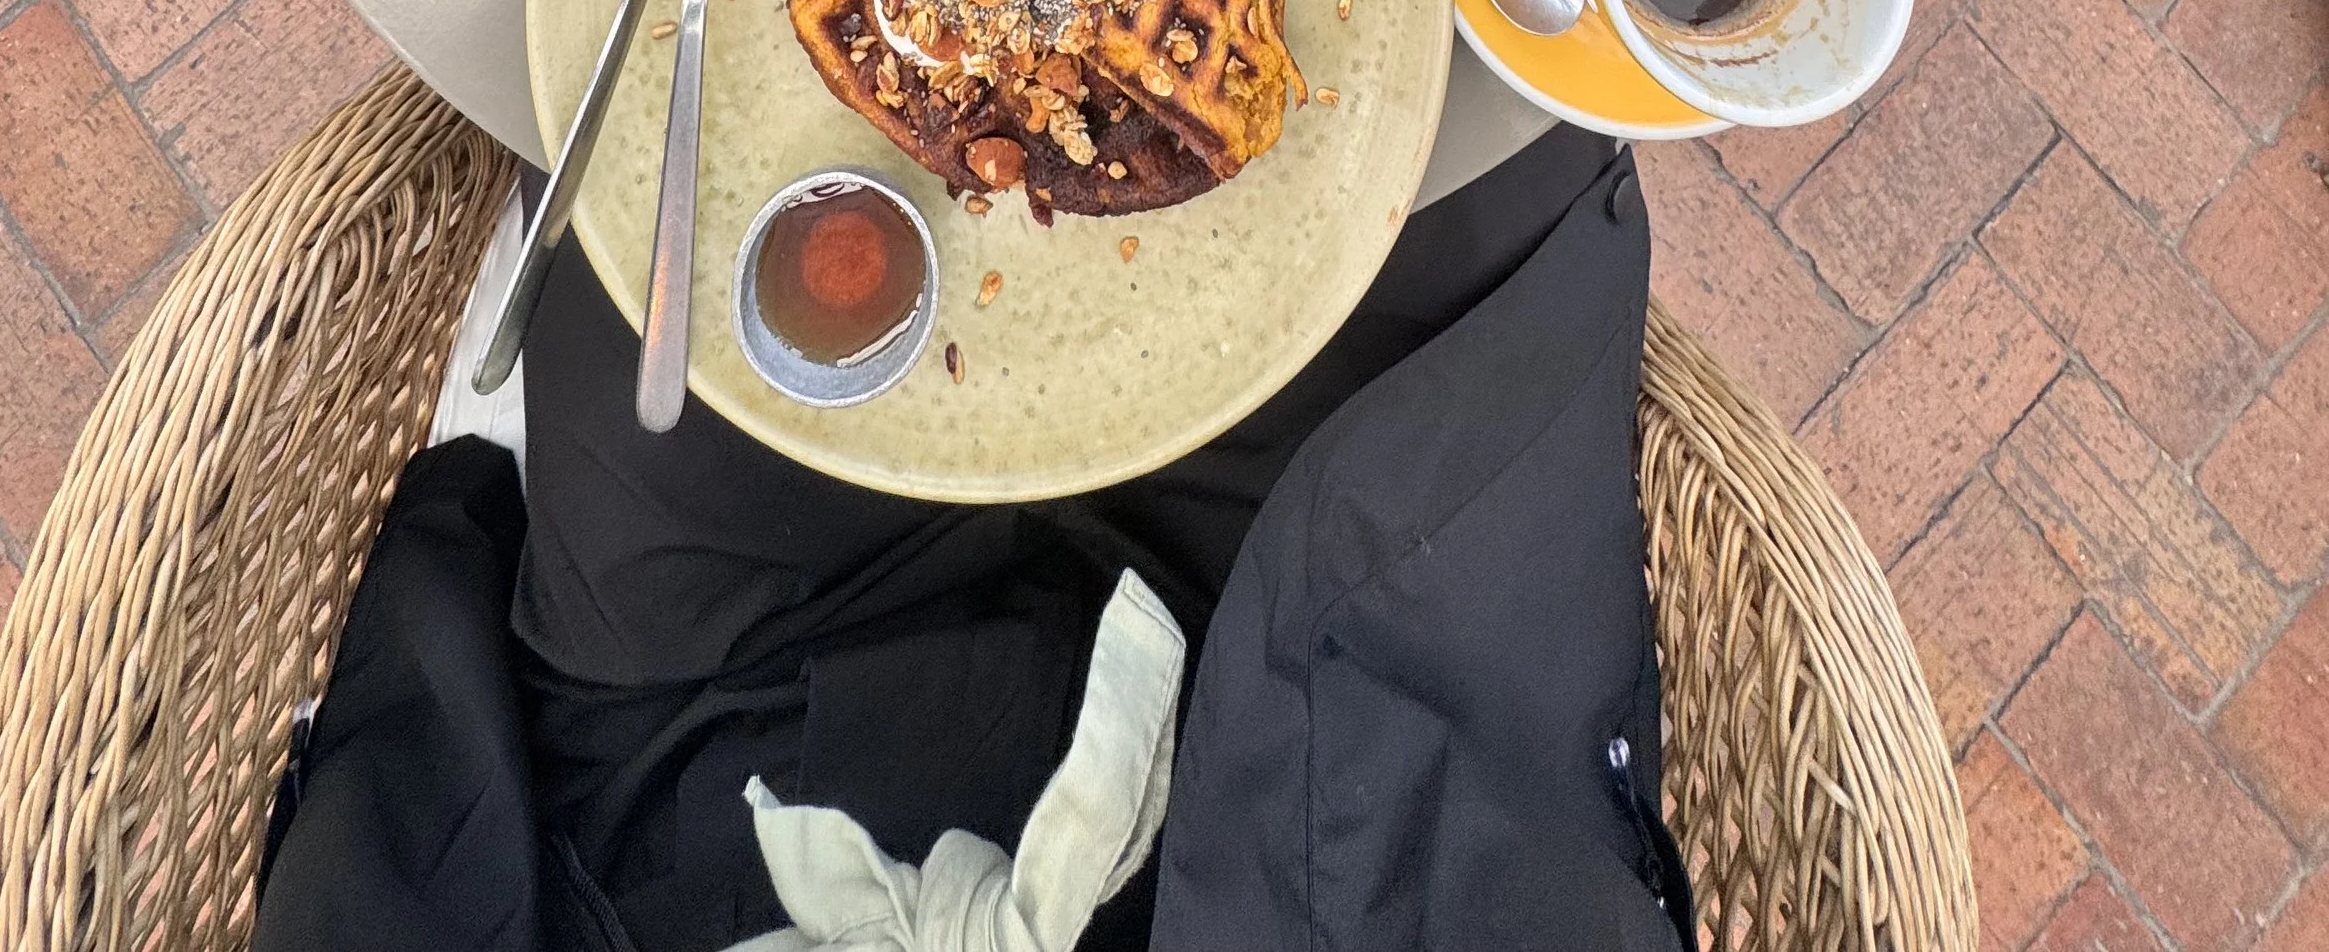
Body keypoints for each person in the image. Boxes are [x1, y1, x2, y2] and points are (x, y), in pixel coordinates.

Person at [252, 124, 1693, 949]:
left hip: (715, 760)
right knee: (1476, 108)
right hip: (1299, 746)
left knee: (686, 137)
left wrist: (451, 546)